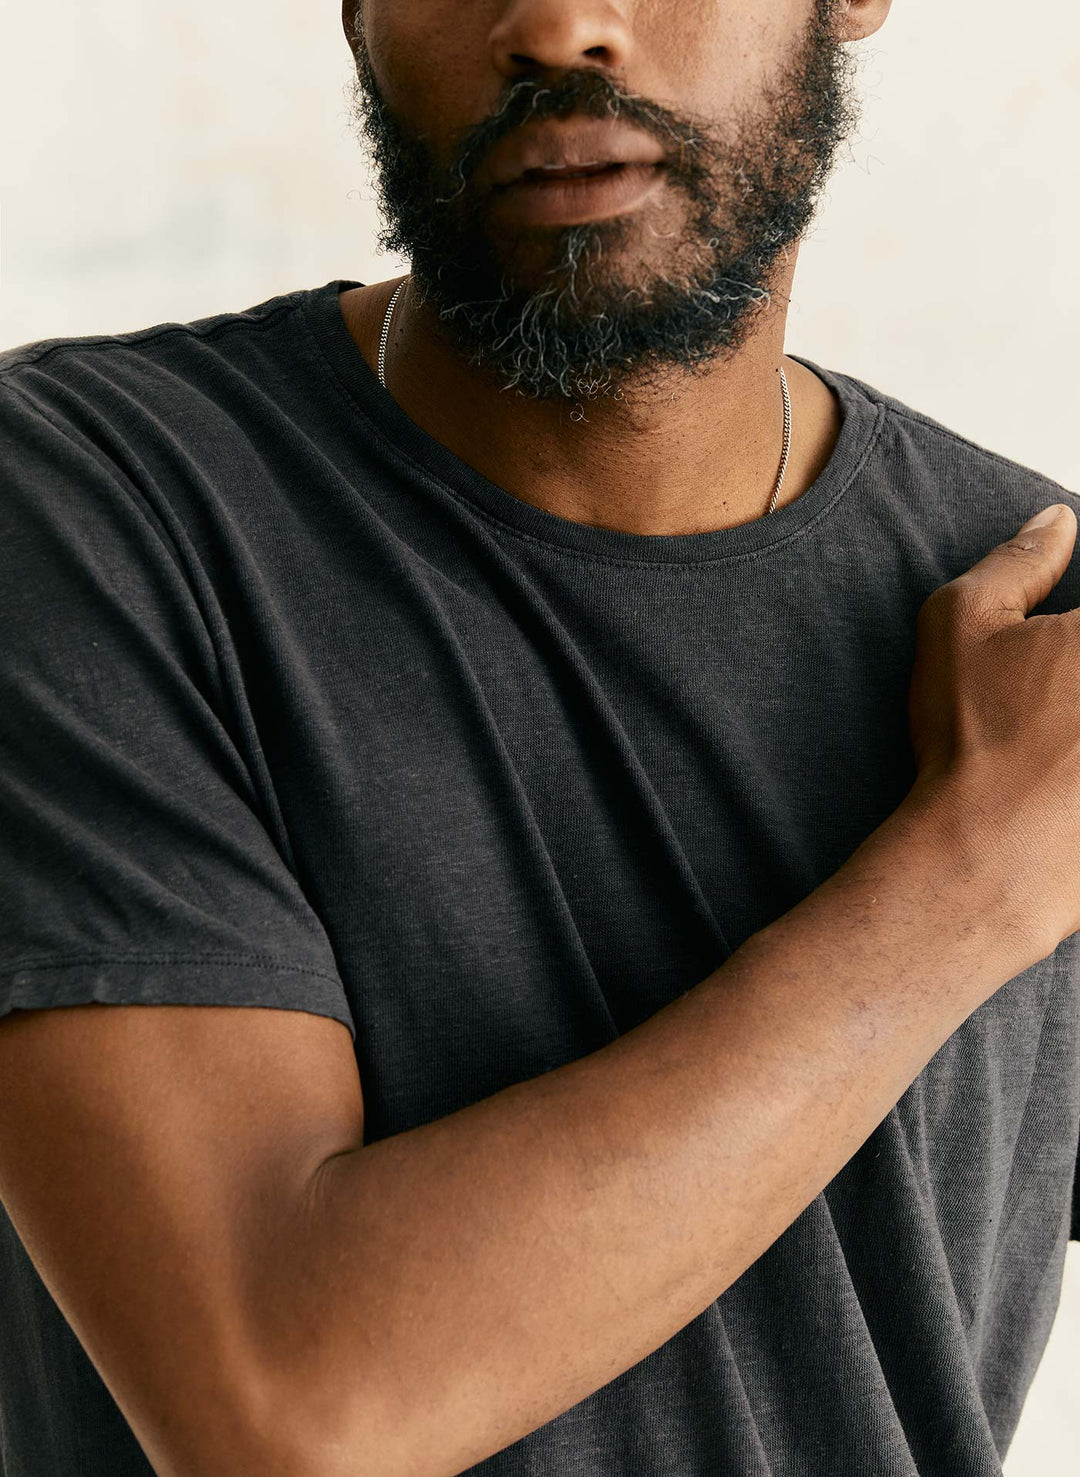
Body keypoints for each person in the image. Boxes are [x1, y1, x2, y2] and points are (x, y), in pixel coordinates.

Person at [0, 1, 1076, 1473]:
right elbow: (283, 1413)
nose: (562, 24)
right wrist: (968, 879)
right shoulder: (99, 509)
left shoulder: (1041, 631)